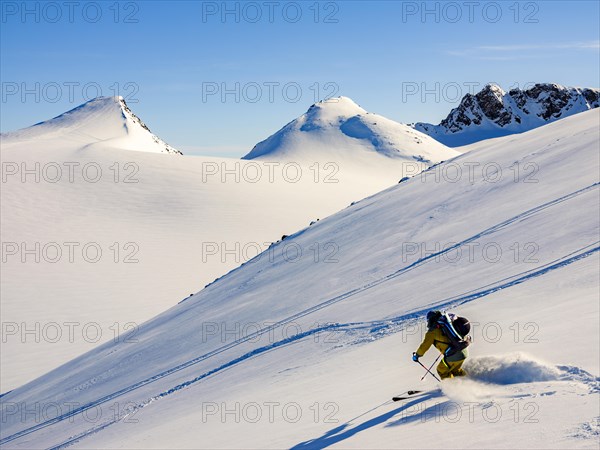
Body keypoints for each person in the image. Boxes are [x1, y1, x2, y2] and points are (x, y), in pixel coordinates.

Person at [412, 310, 469, 380]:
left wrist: (417, 355)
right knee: (455, 371)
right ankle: (469, 382)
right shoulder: (448, 324)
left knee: (441, 370)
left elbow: (424, 346)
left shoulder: (432, 332)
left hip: (454, 355)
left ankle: (452, 388)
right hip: (463, 349)